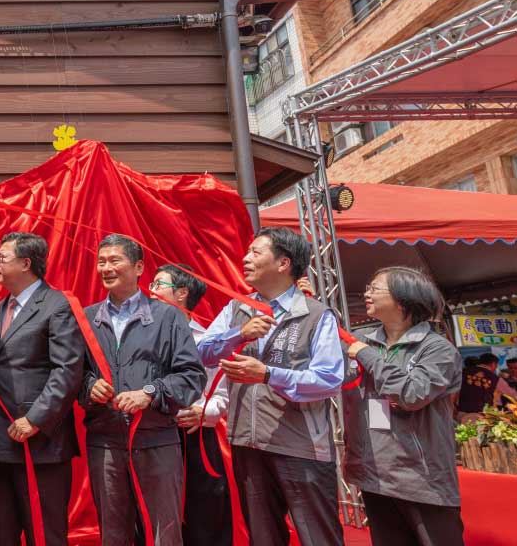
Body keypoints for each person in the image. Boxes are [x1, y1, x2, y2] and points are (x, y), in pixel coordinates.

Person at [197, 227, 347, 546]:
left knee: (318, 536)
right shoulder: (237, 308)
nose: (245, 258)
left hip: (301, 445)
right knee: (263, 537)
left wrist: (267, 374)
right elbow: (202, 352)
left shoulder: (316, 314)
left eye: (255, 252)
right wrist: (239, 334)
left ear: (283, 263)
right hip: (248, 443)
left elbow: (329, 379)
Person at [82, 237, 205, 546]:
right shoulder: (86, 318)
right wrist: (88, 386)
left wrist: (150, 392)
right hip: (106, 441)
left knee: (164, 532)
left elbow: (192, 377)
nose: (106, 268)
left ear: (138, 267)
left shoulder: (168, 316)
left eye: (114, 260)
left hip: (156, 440)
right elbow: (72, 374)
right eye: (102, 261)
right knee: (113, 532)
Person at [343, 267, 463, 546]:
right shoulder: (365, 342)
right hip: (375, 477)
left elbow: (411, 394)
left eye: (375, 288)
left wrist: (367, 356)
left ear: (402, 300)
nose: (366, 294)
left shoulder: (437, 349)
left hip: (422, 481)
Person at [0, 231, 85, 546]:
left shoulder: (55, 305)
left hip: (39, 443)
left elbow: (67, 369)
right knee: (0, 530)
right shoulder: (0, 308)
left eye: (3, 257)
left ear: (26, 263)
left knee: (45, 532)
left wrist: (35, 419)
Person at [149, 263, 231, 546]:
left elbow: (221, 394)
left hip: (195, 435)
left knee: (205, 514)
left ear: (182, 293)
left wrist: (202, 412)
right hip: (154, 435)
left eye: (159, 284)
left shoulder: (205, 340)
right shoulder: (143, 336)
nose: (151, 290)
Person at [457, 352, 517, 418]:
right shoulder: (495, 378)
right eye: (510, 368)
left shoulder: (462, 372)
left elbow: (453, 392)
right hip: (484, 414)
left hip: (462, 411)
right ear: (493, 364)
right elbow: (512, 394)